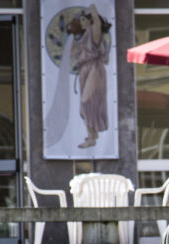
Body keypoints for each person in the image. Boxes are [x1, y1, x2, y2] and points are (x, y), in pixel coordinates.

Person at [74, 5, 111, 149]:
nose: (81, 23)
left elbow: (98, 23)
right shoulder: (84, 36)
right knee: (87, 104)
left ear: (90, 21)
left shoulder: (93, 33)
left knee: (87, 101)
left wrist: (94, 11)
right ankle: (92, 134)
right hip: (85, 70)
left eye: (83, 19)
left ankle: (92, 137)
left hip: (94, 69)